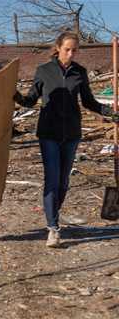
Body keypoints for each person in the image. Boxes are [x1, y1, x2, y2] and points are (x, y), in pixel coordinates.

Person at [13, 32, 119, 248]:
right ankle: (53, 228)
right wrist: (12, 93)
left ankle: (54, 213)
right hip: (48, 133)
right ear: (58, 48)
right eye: (67, 49)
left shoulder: (79, 72)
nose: (70, 53)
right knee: (52, 180)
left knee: (63, 182)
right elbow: (30, 101)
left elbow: (89, 102)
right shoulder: (44, 71)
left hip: (71, 134)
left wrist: (111, 113)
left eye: (74, 50)